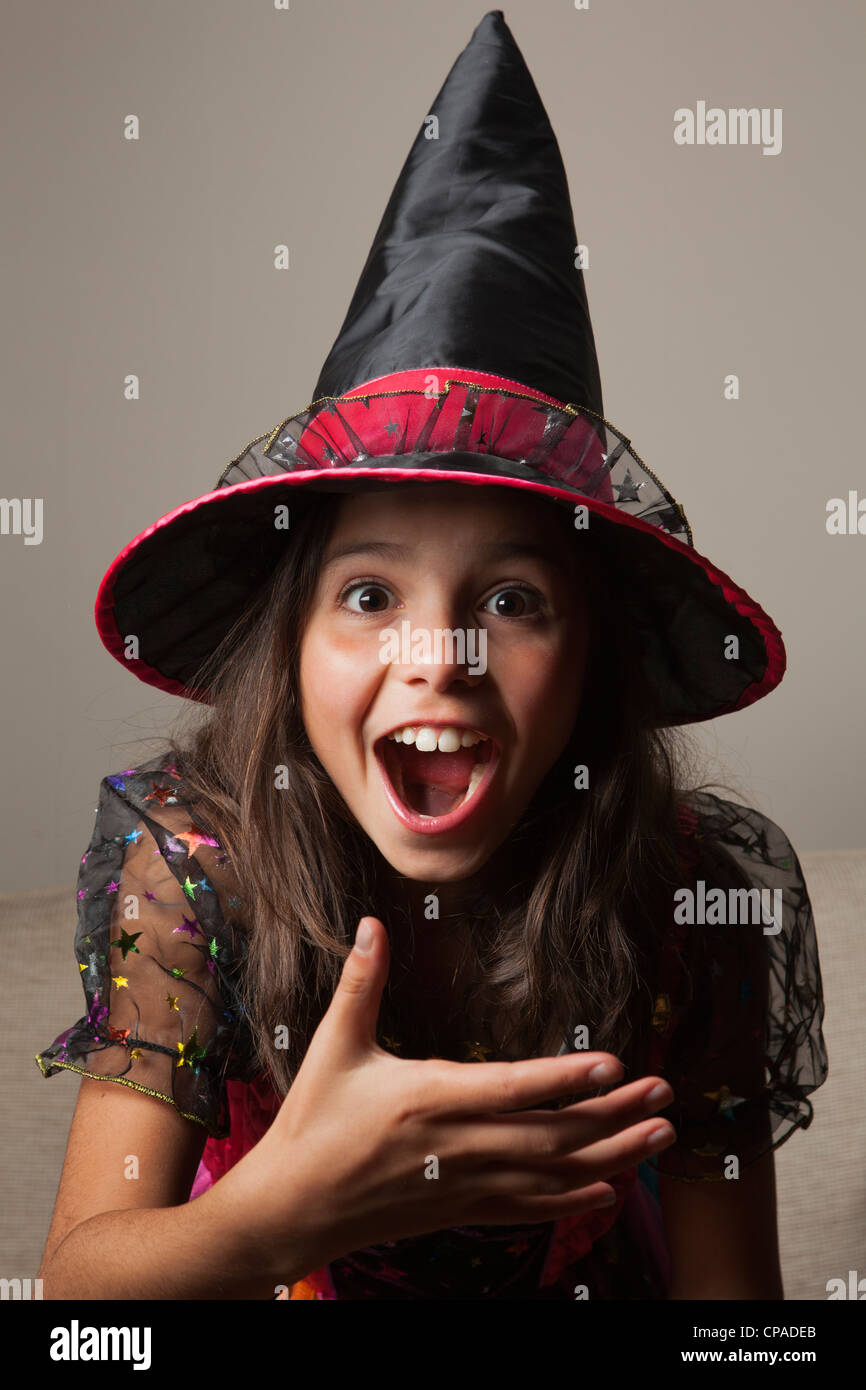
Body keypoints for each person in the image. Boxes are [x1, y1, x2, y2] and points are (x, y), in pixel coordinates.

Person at [34, 11, 827, 1300]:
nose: (441, 653)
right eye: (367, 594)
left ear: (595, 663)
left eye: (513, 600)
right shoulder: (196, 873)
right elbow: (78, 1313)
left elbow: (738, 1319)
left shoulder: (695, 902)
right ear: (289, 648)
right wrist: (288, 1213)